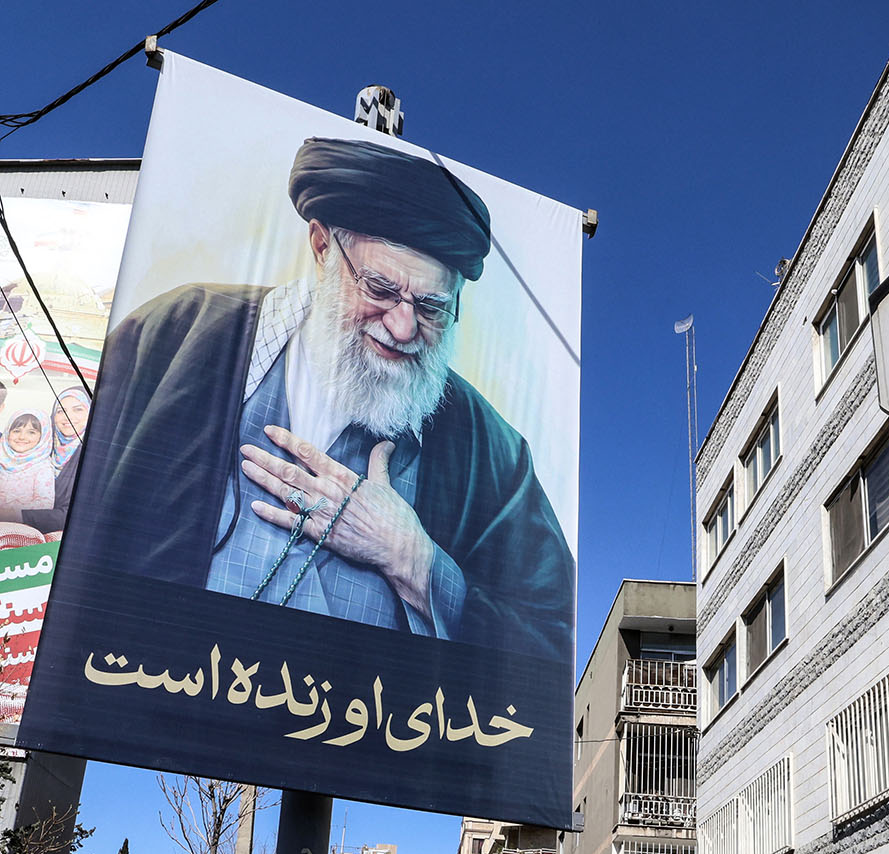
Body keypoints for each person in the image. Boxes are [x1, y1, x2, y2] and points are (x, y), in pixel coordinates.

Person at [72, 136, 574, 662]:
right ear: (321, 246)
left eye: (430, 306)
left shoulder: (492, 454)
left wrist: (415, 560)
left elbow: (549, 646)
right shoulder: (175, 335)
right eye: (380, 288)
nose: (403, 327)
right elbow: (76, 527)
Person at [15, 386, 92, 536]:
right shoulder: (41, 448)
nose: (68, 417)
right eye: (60, 411)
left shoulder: (93, 456)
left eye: (78, 409)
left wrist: (17, 515)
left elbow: (76, 515)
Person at [0, 409, 54, 515]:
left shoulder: (42, 467)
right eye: (16, 431)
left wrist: (9, 512)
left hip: (17, 522)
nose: (22, 437)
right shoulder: (1, 458)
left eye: (31, 432)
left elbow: (45, 504)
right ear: (7, 433)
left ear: (43, 437)